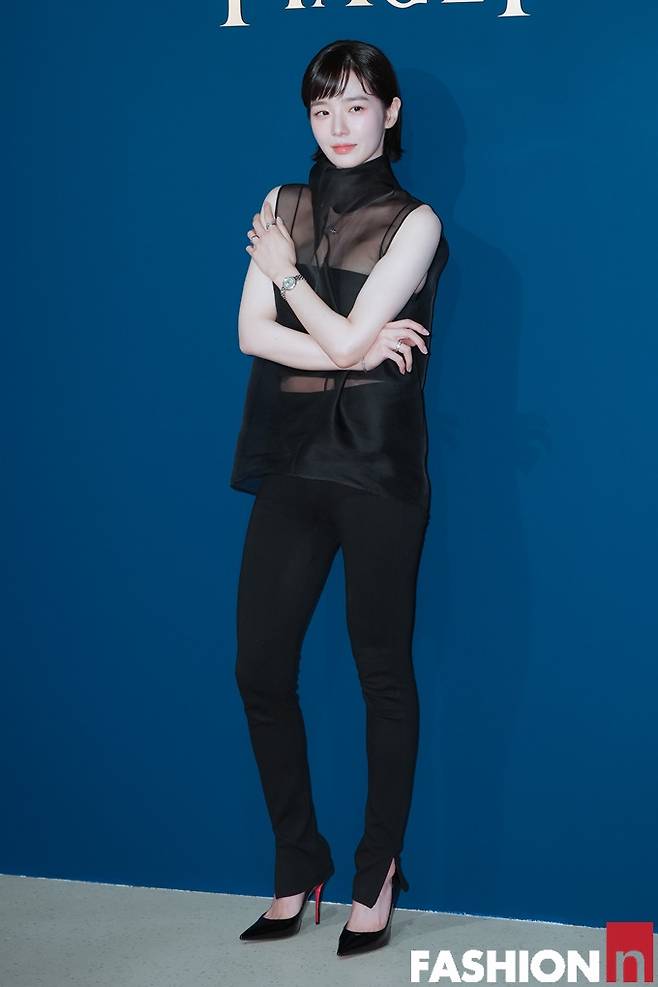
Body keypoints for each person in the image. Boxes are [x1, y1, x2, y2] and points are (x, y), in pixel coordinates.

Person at [231, 39, 449, 957]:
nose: (339, 125)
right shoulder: (281, 204)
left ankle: (377, 872)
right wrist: (353, 351)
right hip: (292, 462)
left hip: (378, 472)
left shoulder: (415, 222)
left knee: (381, 674)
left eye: (357, 105)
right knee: (259, 669)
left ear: (390, 114)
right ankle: (297, 862)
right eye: (323, 109)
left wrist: (291, 280)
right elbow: (252, 335)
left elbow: (316, 326)